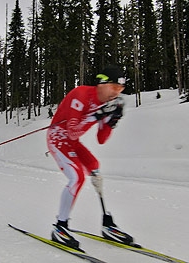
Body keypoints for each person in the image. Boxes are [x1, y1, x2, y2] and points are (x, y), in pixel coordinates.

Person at [46, 65, 133, 250]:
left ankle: (107, 222)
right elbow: (72, 131)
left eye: (121, 89)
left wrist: (112, 121)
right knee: (77, 177)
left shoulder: (105, 104)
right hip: (57, 137)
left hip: (72, 141)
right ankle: (60, 227)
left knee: (94, 166)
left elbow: (101, 139)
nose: (117, 93)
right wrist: (97, 115)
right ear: (102, 83)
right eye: (114, 87)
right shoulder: (81, 94)